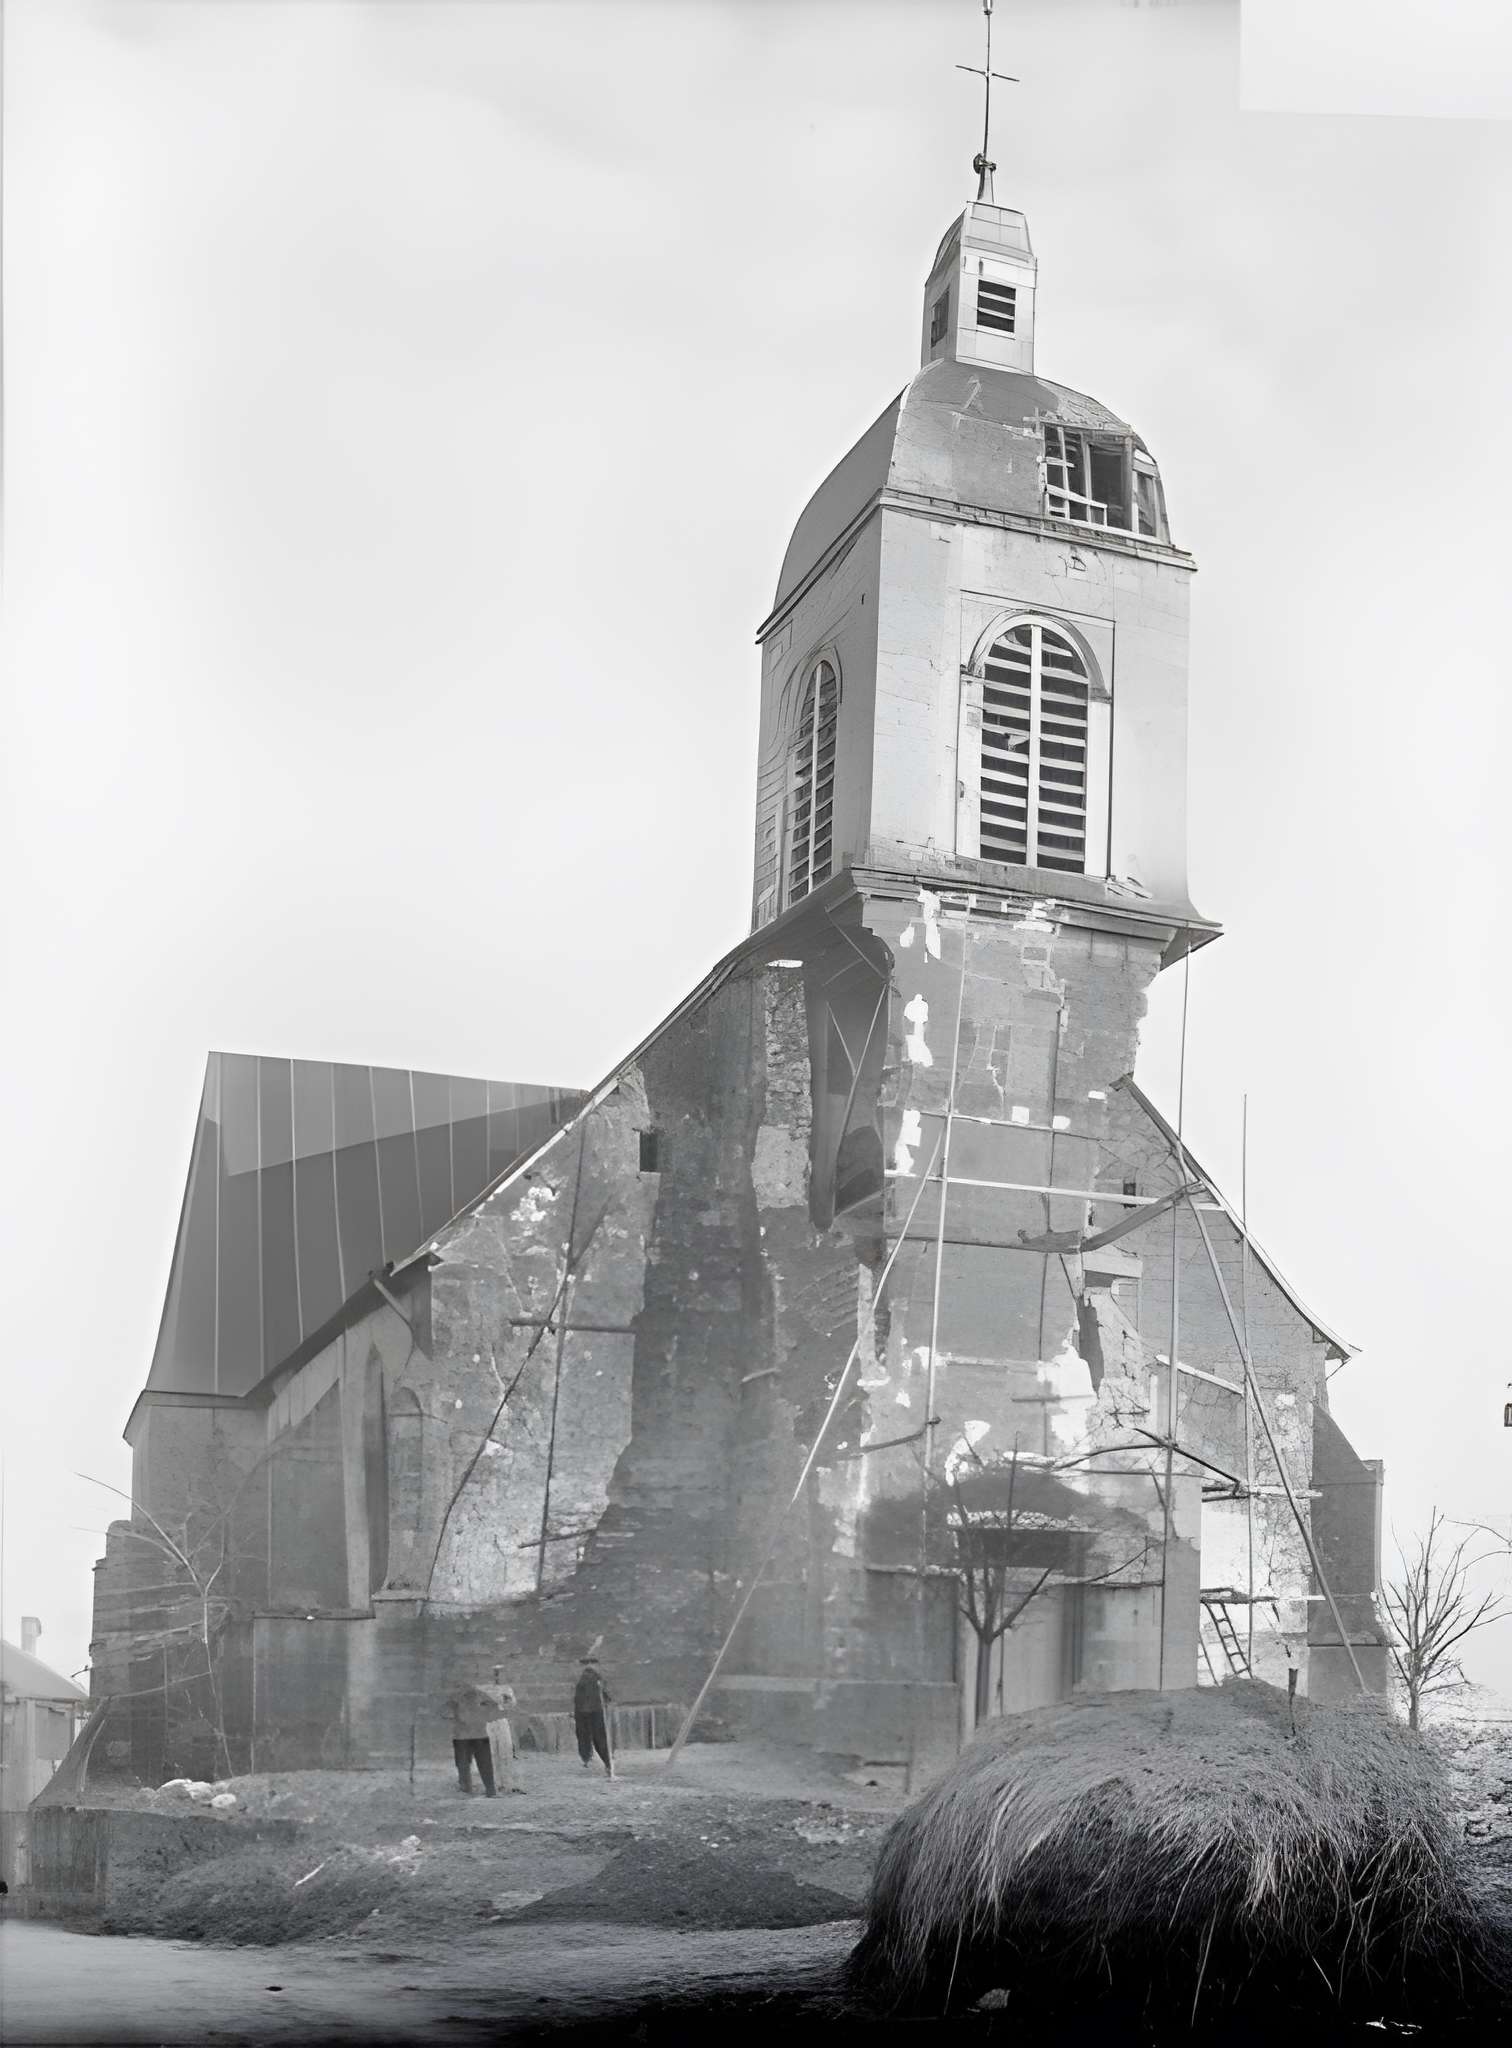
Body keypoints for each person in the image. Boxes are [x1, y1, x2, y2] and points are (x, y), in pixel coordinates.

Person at [446, 1669, 507, 1796]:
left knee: (467, 1764)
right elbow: (493, 1708)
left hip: (467, 1736)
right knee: (477, 1764)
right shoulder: (474, 1695)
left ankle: (472, 1789)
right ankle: (486, 1790)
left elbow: (445, 1714)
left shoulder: (458, 1696)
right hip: (471, 1735)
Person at [486, 1664, 526, 1795]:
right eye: (495, 1673)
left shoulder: (507, 1688)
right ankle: (495, 1784)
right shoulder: (487, 1688)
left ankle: (507, 1783)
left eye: (499, 1674)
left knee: (505, 1750)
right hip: (489, 1722)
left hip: (502, 1721)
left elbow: (512, 1704)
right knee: (492, 1752)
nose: (497, 1677)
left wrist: (506, 1699)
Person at [573, 1655, 614, 1778]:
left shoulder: (596, 1679)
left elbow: (604, 1694)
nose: (588, 1665)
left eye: (591, 1663)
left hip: (592, 1711)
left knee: (597, 1738)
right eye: (586, 1663)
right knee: (592, 1737)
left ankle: (606, 1762)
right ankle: (600, 1760)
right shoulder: (594, 1678)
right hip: (587, 1711)